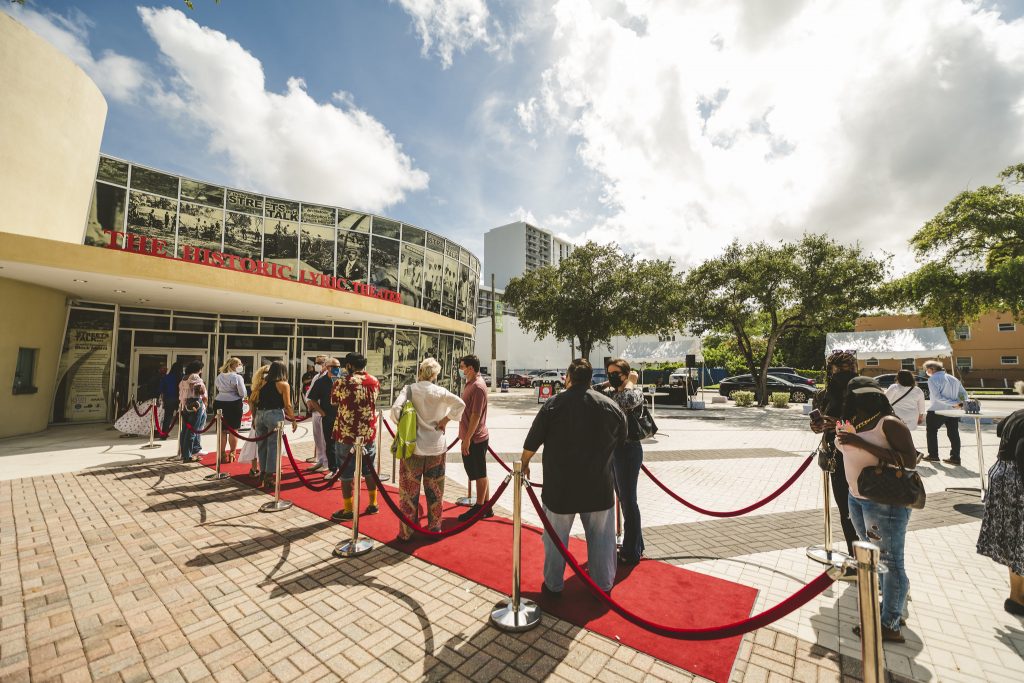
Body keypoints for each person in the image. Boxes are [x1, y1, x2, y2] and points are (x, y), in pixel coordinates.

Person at [521, 359, 626, 596]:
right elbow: (621, 439)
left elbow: (532, 441)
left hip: (560, 488)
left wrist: (524, 463)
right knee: (601, 539)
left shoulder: (553, 405)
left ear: (568, 377)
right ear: (591, 379)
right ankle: (603, 584)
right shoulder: (609, 406)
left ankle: (553, 584)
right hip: (599, 487)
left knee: (555, 540)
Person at [834, 376, 919, 643]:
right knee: (876, 557)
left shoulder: (889, 423)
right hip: (857, 497)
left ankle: (889, 624)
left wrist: (859, 443)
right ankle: (890, 607)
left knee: (890, 561)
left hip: (885, 502)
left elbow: (910, 460)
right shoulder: (857, 421)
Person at [389, 358, 466, 539]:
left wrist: (405, 424)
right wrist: (446, 420)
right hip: (436, 446)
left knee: (408, 491)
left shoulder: (409, 389)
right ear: (434, 374)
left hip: (413, 447)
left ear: (420, 372)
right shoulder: (440, 391)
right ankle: (434, 527)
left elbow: (395, 410)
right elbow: (460, 404)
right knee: (435, 490)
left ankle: (406, 531)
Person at [809, 351, 861, 559]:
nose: (844, 373)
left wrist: (840, 423)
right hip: (835, 457)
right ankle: (855, 556)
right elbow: (818, 423)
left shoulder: (865, 391)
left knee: (865, 510)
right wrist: (818, 425)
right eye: (839, 369)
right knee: (846, 511)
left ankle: (873, 559)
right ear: (830, 371)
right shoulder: (822, 395)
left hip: (862, 454)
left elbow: (875, 422)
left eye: (849, 368)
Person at [598, 358, 647, 565]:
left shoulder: (633, 393)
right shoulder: (613, 393)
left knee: (629, 502)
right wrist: (609, 383)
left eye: (616, 373)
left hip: (629, 451)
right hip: (616, 451)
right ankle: (637, 545)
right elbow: (591, 391)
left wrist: (631, 382)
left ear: (626, 375)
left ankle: (631, 551)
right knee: (625, 500)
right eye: (609, 372)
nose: (611, 376)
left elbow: (628, 400)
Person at [977, 409, 1024, 615]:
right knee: (1019, 540)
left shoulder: (1018, 413)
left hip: (1003, 475)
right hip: (1016, 479)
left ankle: (1017, 596)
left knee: (1015, 539)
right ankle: (1017, 597)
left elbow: (999, 428)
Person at [331, 353, 382, 521]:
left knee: (346, 472)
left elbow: (333, 401)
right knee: (369, 469)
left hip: (347, 432)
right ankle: (373, 503)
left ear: (350, 366)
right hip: (367, 433)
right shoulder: (374, 381)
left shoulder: (343, 381)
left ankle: (348, 509)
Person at [249, 360, 298, 488]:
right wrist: (293, 419)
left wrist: (254, 418)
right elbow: (287, 405)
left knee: (262, 445)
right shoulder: (283, 384)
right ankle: (269, 475)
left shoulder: (262, 383)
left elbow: (254, 400)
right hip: (274, 414)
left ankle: (263, 471)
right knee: (273, 445)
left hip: (260, 414)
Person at [457, 354, 492, 522]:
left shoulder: (477, 386)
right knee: (480, 471)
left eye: (462, 367)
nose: (461, 370)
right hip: (473, 437)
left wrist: (467, 439)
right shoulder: (471, 383)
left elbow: (476, 415)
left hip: (476, 438)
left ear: (471, 368)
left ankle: (479, 507)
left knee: (479, 473)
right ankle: (487, 505)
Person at [922, 360, 967, 465]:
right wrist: (959, 403)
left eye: (926, 370)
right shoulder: (953, 378)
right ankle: (955, 457)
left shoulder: (932, 379)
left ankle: (933, 455)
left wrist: (953, 403)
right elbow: (964, 394)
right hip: (953, 411)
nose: (926, 372)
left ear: (931, 369)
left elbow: (937, 397)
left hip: (937, 410)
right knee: (954, 433)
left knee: (932, 432)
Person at [307, 357, 342, 478]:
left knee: (343, 445)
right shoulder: (320, 382)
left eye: (338, 366)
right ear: (327, 367)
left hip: (343, 418)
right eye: (334, 366)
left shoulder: (343, 380)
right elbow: (312, 398)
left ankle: (344, 468)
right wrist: (322, 412)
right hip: (328, 417)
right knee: (330, 444)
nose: (337, 369)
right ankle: (333, 469)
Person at [213, 357, 247, 464]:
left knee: (222, 430)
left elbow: (218, 387)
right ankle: (232, 453)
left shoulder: (219, 376)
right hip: (233, 403)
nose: (241, 366)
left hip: (219, 402)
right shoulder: (237, 377)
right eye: (239, 364)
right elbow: (243, 393)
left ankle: (222, 454)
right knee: (234, 429)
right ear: (233, 366)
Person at [177, 360, 208, 462]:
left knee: (185, 430)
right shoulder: (194, 376)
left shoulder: (184, 378)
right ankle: (188, 456)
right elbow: (200, 390)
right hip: (195, 403)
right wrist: (203, 387)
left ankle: (184, 453)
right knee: (193, 430)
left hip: (186, 404)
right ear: (198, 369)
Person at [304, 355, 330, 471]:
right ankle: (320, 459)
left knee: (324, 439)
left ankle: (326, 463)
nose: (318, 365)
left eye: (320, 362)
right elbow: (309, 392)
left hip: (322, 410)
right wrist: (309, 402)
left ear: (326, 363)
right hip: (314, 411)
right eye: (316, 362)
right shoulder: (316, 376)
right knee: (317, 438)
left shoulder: (328, 376)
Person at [159, 361, 183, 439]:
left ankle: (164, 434)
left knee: (167, 417)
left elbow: (161, 389)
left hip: (169, 398)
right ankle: (183, 434)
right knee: (183, 417)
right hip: (180, 399)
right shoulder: (183, 377)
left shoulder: (166, 377)